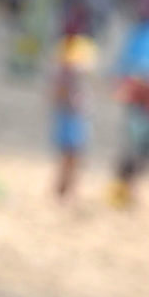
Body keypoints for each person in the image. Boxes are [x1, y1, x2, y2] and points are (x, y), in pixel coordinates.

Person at [51, 35, 93, 202]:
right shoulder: (64, 77)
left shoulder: (77, 79)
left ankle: (68, 189)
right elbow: (55, 96)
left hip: (75, 117)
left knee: (74, 155)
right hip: (69, 116)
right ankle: (63, 188)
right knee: (69, 155)